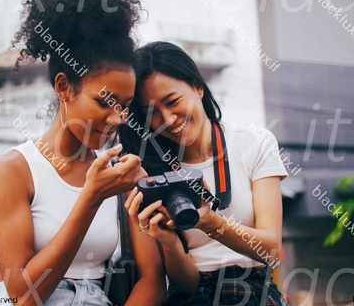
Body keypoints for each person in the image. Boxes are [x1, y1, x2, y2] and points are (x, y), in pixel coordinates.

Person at [0, 0, 147, 305]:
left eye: (125, 105)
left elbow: (150, 278)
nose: (117, 117)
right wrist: (91, 198)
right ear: (64, 87)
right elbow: (22, 296)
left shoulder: (118, 175)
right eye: (105, 102)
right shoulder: (12, 171)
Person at [120, 41, 290, 305]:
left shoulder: (254, 143)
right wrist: (169, 242)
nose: (167, 119)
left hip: (256, 291)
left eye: (173, 101)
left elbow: (269, 250)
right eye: (152, 113)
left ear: (198, 87)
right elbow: (187, 283)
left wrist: (211, 223)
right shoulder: (151, 173)